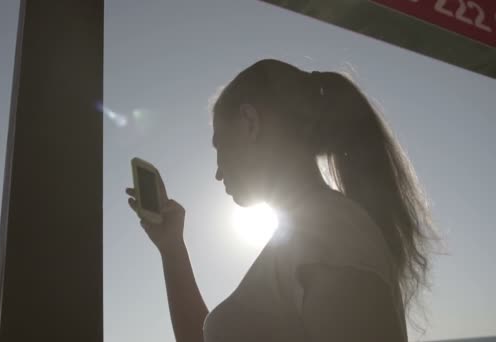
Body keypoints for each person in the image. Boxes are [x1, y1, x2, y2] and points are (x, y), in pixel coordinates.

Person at [126, 59, 437, 342]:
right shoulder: (313, 236)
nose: (218, 172)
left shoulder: (330, 236)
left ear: (250, 122)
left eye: (219, 145)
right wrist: (172, 249)